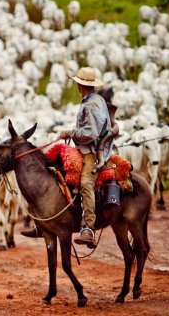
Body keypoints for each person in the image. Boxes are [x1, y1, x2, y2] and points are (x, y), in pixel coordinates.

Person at [59, 67, 112, 249]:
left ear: (80, 85)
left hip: (91, 152)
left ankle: (88, 227)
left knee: (85, 183)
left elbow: (91, 132)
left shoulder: (90, 105)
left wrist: (70, 132)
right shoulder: (95, 100)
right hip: (85, 148)